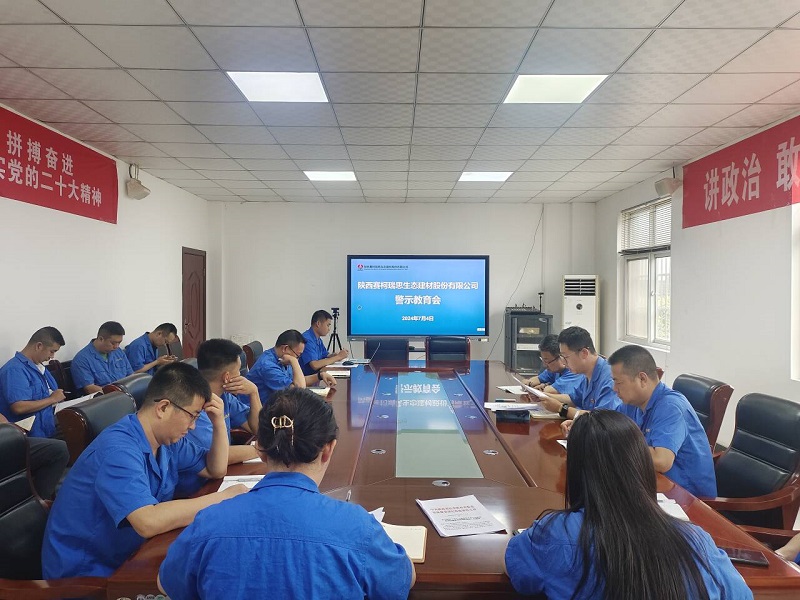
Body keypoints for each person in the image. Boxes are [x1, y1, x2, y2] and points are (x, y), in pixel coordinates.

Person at [158, 386, 415, 600]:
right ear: (328, 450)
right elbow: (401, 581)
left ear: (260, 448)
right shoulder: (357, 527)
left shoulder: (208, 523)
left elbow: (166, 583)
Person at [505, 410, 752, 600]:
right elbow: (741, 595)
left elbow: (518, 572)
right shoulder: (695, 539)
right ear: (641, 464)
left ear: (578, 470)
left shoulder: (555, 533)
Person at [41, 362, 247, 579]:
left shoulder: (166, 441)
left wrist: (218, 423)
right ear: (163, 408)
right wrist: (223, 498)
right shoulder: (119, 449)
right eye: (192, 416)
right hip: (88, 574)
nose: (193, 426)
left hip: (137, 553)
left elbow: (215, 469)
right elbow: (147, 521)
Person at [607, 345, 717, 498]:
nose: (614, 388)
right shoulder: (633, 404)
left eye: (618, 382)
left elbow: (661, 461)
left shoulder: (670, 406)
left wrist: (617, 443)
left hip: (687, 499)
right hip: (653, 483)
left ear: (642, 379)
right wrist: (583, 421)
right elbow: (608, 422)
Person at [176, 338, 261, 495]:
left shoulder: (223, 395)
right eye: (239, 371)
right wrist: (261, 449)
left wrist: (254, 393)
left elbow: (255, 428)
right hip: (196, 490)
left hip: (218, 477)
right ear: (227, 377)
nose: (241, 375)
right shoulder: (193, 408)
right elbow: (217, 457)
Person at [0, 326, 67, 438]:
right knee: (65, 445)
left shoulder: (40, 367)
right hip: (31, 435)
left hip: (49, 425)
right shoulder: (14, 370)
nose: (52, 356)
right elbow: (19, 407)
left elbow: (54, 394)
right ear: (39, 346)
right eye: (52, 351)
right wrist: (52, 399)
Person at [246, 329, 336, 403]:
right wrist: (294, 361)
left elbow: (297, 381)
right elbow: (299, 391)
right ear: (285, 348)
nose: (298, 358)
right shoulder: (268, 366)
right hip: (259, 413)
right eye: (298, 355)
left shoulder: (282, 358)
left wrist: (320, 376)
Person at [553, 326, 621, 418]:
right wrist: (545, 397)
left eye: (566, 357)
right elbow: (574, 399)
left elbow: (602, 419)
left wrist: (561, 409)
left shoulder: (610, 379)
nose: (564, 363)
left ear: (584, 353)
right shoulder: (586, 374)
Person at [523, 334, 585, 409]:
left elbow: (550, 391)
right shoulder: (554, 369)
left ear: (561, 357)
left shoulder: (573, 371)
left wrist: (543, 388)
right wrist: (528, 384)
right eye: (543, 360)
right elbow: (537, 380)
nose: (545, 365)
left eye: (547, 361)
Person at [71, 321, 134, 393]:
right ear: (101, 339)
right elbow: (89, 388)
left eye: (119, 342)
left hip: (126, 393)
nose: (116, 346)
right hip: (104, 397)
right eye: (113, 343)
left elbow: (130, 375)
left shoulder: (118, 352)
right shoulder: (82, 359)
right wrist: (118, 393)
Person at [299, 310, 349, 375]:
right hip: (307, 378)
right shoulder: (307, 339)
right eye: (328, 325)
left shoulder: (318, 339)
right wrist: (338, 357)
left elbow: (325, 355)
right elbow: (315, 365)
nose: (329, 329)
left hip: (317, 375)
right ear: (318, 324)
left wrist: (335, 355)